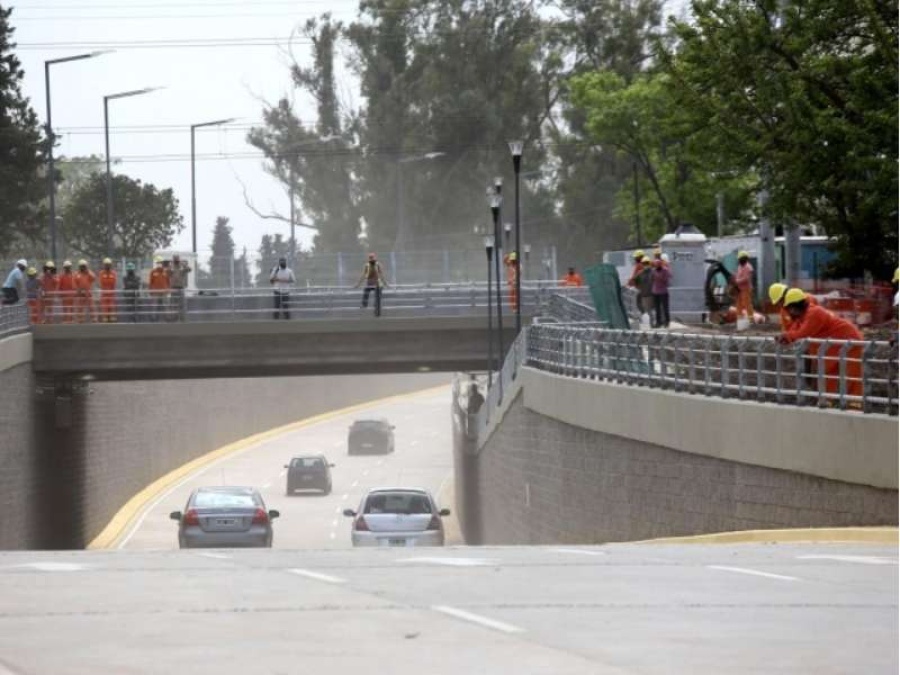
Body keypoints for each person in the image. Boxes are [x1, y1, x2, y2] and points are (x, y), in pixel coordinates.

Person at [776, 288, 863, 400]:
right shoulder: (802, 316)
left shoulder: (815, 312)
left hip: (850, 341)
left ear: (795, 306)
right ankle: (827, 402)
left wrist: (787, 337)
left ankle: (854, 405)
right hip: (832, 345)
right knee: (827, 374)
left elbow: (804, 332)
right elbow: (794, 329)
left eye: (789, 308)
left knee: (853, 375)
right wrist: (785, 336)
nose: (788, 312)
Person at [355, 253, 388, 317]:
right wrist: (358, 284)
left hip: (378, 284)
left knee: (377, 298)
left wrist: (385, 283)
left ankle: (377, 312)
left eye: (372, 257)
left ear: (375, 257)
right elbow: (363, 275)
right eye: (370, 257)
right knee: (365, 293)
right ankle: (364, 304)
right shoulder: (367, 265)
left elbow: (381, 275)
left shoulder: (378, 264)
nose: (371, 259)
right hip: (369, 283)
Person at [168, 254, 191, 321]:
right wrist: (171, 265)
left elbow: (189, 269)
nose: (176, 261)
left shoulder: (182, 267)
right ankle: (174, 318)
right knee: (173, 304)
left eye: (177, 259)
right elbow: (167, 273)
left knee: (182, 304)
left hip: (181, 288)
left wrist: (183, 264)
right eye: (175, 259)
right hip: (173, 288)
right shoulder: (171, 267)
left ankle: (182, 318)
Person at [733, 250, 754, 319]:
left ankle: (751, 319)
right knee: (738, 304)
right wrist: (734, 278)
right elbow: (738, 275)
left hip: (745, 289)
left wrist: (737, 281)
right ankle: (740, 318)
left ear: (745, 259)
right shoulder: (740, 266)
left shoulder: (748, 267)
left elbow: (746, 279)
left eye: (741, 259)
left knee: (747, 304)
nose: (739, 260)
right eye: (739, 259)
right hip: (739, 289)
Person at [651, 258, 671, 328]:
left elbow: (666, 280)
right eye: (655, 264)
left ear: (660, 264)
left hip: (663, 291)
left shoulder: (665, 270)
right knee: (657, 308)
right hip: (655, 292)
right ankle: (658, 322)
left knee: (665, 307)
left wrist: (659, 277)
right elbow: (652, 279)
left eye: (658, 264)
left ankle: (667, 322)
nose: (656, 266)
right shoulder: (653, 271)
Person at [148, 256, 170, 321]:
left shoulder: (166, 271)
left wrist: (168, 290)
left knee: (166, 305)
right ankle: (153, 318)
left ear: (162, 263)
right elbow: (150, 282)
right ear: (156, 263)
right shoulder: (153, 271)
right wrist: (150, 292)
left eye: (160, 262)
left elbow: (168, 281)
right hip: (155, 292)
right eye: (158, 262)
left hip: (164, 291)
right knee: (154, 306)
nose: (159, 264)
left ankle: (167, 318)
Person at [98, 258, 118, 323]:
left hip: (111, 294)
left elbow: (114, 283)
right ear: (104, 265)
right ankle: (105, 317)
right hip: (104, 294)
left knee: (112, 306)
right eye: (106, 265)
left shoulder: (113, 273)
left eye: (108, 265)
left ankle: (112, 317)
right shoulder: (101, 273)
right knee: (104, 306)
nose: (107, 266)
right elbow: (101, 283)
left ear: (110, 265)